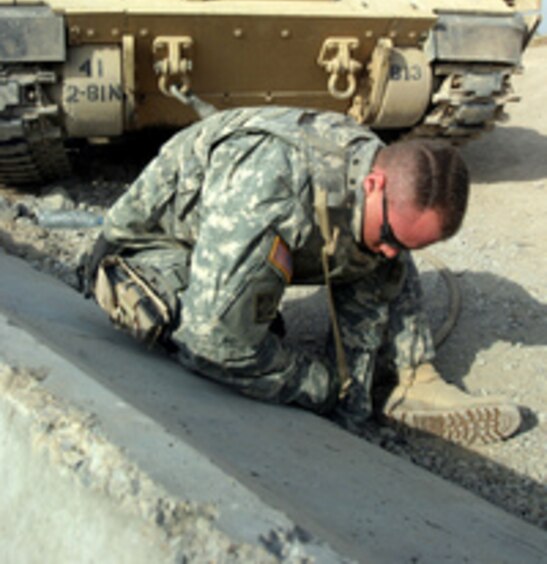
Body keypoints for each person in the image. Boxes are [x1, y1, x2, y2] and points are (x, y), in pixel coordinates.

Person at [85, 106, 521, 446]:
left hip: (266, 227)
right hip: (162, 246)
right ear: (373, 184)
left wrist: (356, 402)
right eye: (393, 235)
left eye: (411, 244)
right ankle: (254, 312)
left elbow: (372, 269)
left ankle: (414, 379)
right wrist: (323, 386)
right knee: (213, 333)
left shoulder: (371, 174)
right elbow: (212, 343)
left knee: (379, 253)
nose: (394, 253)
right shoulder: (271, 187)